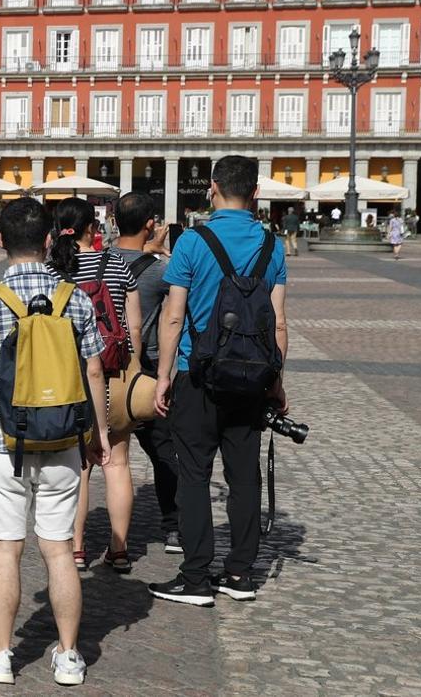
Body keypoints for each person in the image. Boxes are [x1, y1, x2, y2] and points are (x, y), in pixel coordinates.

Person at [0, 197, 110, 687]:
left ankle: (0, 654)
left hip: (5, 440)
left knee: (6, 549)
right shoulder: (75, 299)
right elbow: (92, 370)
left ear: (0, 240)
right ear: (49, 241)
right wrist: (98, 434)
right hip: (64, 438)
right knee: (59, 549)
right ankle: (68, 656)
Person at [150, 155, 288, 607]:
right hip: (250, 379)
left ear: (212, 187)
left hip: (197, 373)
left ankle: (195, 578)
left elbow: (173, 316)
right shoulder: (273, 246)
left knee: (193, 472)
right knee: (244, 475)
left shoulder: (192, 241)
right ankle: (241, 573)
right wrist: (277, 382)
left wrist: (164, 376)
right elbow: (279, 323)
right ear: (256, 193)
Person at [45, 197, 142, 574]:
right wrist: (133, 365)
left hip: (69, 378)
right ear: (92, 228)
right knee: (117, 463)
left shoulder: (55, 271)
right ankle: (119, 550)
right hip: (114, 374)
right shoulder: (117, 264)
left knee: (80, 467)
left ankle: (78, 548)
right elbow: (133, 327)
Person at [111, 193, 181, 554]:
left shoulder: (99, 261)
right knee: (163, 448)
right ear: (151, 224)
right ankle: (174, 525)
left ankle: (77, 540)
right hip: (146, 369)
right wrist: (162, 252)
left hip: (102, 369)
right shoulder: (158, 270)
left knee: (98, 453)